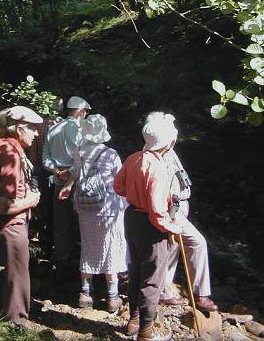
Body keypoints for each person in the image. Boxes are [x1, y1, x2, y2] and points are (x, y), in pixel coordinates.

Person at [114, 116, 182, 341]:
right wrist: (171, 227)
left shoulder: (134, 158)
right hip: (150, 224)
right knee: (152, 278)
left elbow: (118, 186)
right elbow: (156, 210)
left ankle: (133, 320)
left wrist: (136, 195)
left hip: (131, 217)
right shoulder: (158, 167)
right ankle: (145, 332)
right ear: (167, 143)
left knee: (135, 271)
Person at [0, 106, 43, 327]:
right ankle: (15, 327)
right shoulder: (10, 155)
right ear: (17, 129)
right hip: (8, 227)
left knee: (4, 278)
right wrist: (31, 201)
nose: (36, 134)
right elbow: (4, 206)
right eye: (32, 129)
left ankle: (2, 319)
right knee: (16, 279)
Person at [144, 112, 217, 313]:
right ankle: (201, 293)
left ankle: (165, 291)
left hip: (175, 208)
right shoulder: (156, 157)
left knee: (173, 247)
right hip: (170, 211)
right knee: (197, 242)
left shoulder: (167, 152)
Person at [59, 114, 129, 313]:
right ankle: (112, 296)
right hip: (108, 209)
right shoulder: (111, 154)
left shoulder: (79, 151)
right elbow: (120, 182)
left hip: (85, 206)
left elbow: (78, 174)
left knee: (88, 246)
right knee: (111, 248)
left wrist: (68, 186)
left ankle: (85, 293)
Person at [42, 96, 91, 270]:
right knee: (82, 220)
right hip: (78, 180)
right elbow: (84, 157)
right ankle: (83, 257)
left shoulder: (53, 128)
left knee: (61, 221)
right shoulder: (83, 130)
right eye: (85, 112)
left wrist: (57, 172)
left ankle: (62, 257)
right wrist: (70, 173)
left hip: (58, 179)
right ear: (81, 111)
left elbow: (45, 158)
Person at [27, 97, 64, 257]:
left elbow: (34, 154)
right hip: (62, 172)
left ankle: (45, 244)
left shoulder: (38, 125)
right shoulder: (63, 124)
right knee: (60, 209)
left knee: (45, 208)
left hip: (43, 172)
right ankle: (60, 245)